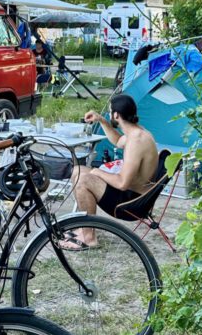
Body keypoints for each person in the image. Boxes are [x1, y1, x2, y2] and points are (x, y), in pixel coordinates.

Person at [65, 94, 159, 250]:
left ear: (116, 115)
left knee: (83, 180)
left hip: (131, 201)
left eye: (110, 112)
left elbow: (122, 183)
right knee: (77, 170)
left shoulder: (136, 141)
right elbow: (117, 140)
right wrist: (101, 120)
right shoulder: (136, 132)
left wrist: (98, 172)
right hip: (133, 193)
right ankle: (84, 229)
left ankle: (89, 238)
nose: (110, 115)